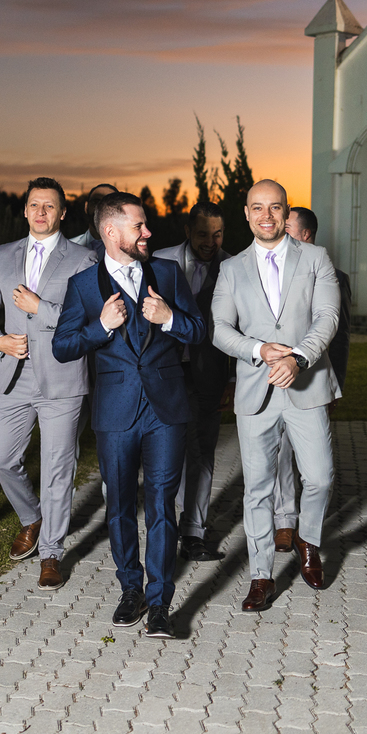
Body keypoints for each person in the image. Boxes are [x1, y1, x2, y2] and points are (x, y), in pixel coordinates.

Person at [52, 191, 205, 638]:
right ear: (110, 231)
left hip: (165, 410)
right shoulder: (83, 285)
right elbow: (62, 346)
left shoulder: (168, 273)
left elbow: (199, 330)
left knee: (162, 506)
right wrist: (101, 326)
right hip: (115, 411)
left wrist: (169, 317)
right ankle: (130, 590)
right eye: (139, 226)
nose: (148, 232)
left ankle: (159, 604)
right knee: (118, 506)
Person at [211, 180, 341, 613]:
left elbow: (328, 317)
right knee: (258, 489)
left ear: (286, 213)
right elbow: (219, 329)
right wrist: (258, 349)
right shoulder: (231, 269)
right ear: (246, 214)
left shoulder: (316, 258)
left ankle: (308, 539)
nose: (266, 216)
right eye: (257, 208)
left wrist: (298, 358)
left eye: (275, 208)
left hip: (306, 385)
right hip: (256, 389)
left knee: (320, 477)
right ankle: (262, 576)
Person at [0, 177, 98, 591]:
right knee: (0, 459)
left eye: (49, 206)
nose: (40, 212)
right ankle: (32, 517)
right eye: (34, 205)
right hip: (13, 376)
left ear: (62, 213)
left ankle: (51, 553)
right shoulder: (3, 254)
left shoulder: (82, 258)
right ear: (25, 210)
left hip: (63, 377)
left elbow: (87, 318)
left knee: (57, 468)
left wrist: (40, 307)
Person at [152, 201, 233, 562]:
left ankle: (193, 533)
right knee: (166, 452)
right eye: (202, 234)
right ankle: (163, 529)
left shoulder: (233, 267)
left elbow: (242, 325)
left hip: (210, 374)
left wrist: (232, 378)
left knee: (202, 453)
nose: (210, 242)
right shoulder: (159, 260)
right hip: (164, 372)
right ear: (187, 231)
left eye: (217, 235)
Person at [272, 206, 352, 553]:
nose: (279, 231)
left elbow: (340, 338)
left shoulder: (335, 277)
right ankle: (284, 521)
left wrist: (335, 386)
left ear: (304, 235)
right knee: (279, 455)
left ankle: (308, 533)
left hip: (314, 380)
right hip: (274, 378)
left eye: (287, 227)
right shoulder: (269, 269)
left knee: (316, 467)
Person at [70, 183, 118, 258]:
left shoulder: (131, 250)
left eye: (110, 203)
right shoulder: (66, 248)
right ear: (86, 207)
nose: (101, 208)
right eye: (96, 202)